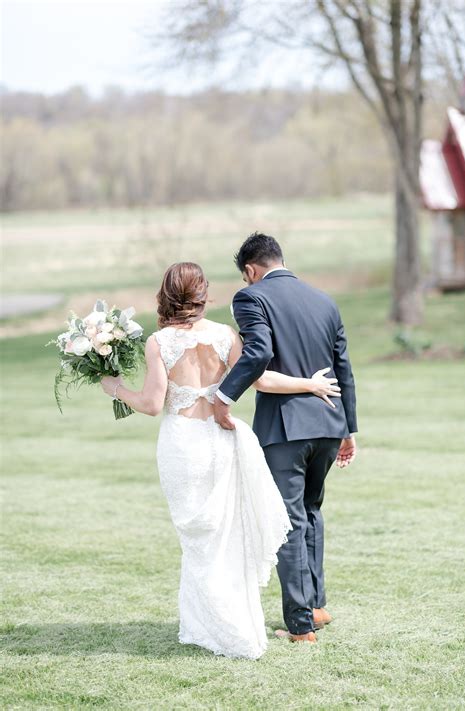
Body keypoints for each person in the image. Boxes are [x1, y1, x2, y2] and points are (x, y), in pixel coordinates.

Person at [100, 261, 341, 659]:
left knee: (196, 537)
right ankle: (229, 621)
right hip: (221, 440)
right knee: (226, 535)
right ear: (203, 293)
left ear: (165, 294)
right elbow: (261, 378)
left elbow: (150, 404)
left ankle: (217, 625)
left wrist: (115, 388)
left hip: (182, 444)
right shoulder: (225, 335)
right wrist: (309, 384)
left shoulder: (159, 342)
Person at [214, 233, 358, 644]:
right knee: (311, 512)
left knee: (289, 521)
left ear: (250, 270)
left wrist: (224, 395)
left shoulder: (251, 298)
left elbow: (257, 354)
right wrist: (347, 429)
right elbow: (343, 369)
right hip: (329, 425)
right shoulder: (324, 301)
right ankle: (315, 606)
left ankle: (299, 626)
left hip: (285, 430)